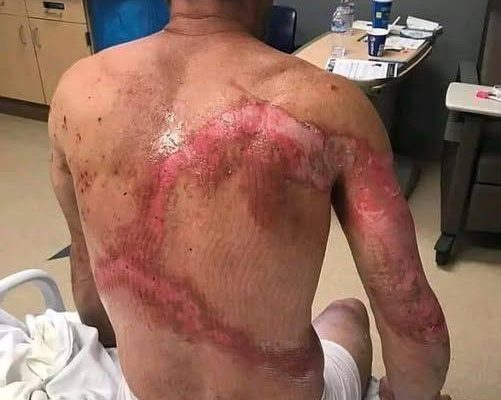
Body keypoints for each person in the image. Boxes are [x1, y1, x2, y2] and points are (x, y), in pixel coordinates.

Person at [48, 0, 450, 399]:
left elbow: (88, 284)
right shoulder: (329, 104)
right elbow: (411, 312)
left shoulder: (78, 91)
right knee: (349, 313)